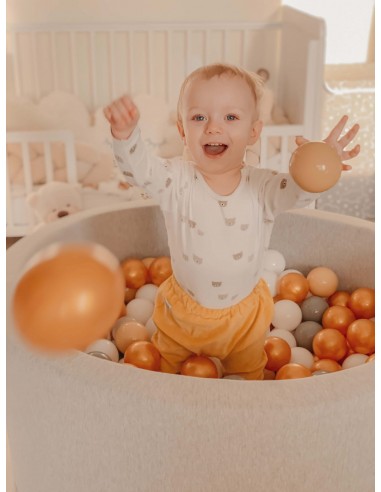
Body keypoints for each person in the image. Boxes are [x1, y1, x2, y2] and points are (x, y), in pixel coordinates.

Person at [104, 63, 360, 380]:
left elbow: (296, 193)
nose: (213, 127)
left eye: (231, 117)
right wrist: (125, 135)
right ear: (183, 130)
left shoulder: (263, 187)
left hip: (244, 319)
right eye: (199, 117)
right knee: (165, 379)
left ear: (253, 132)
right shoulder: (175, 180)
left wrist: (319, 166)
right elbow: (139, 172)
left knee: (248, 384)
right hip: (183, 314)